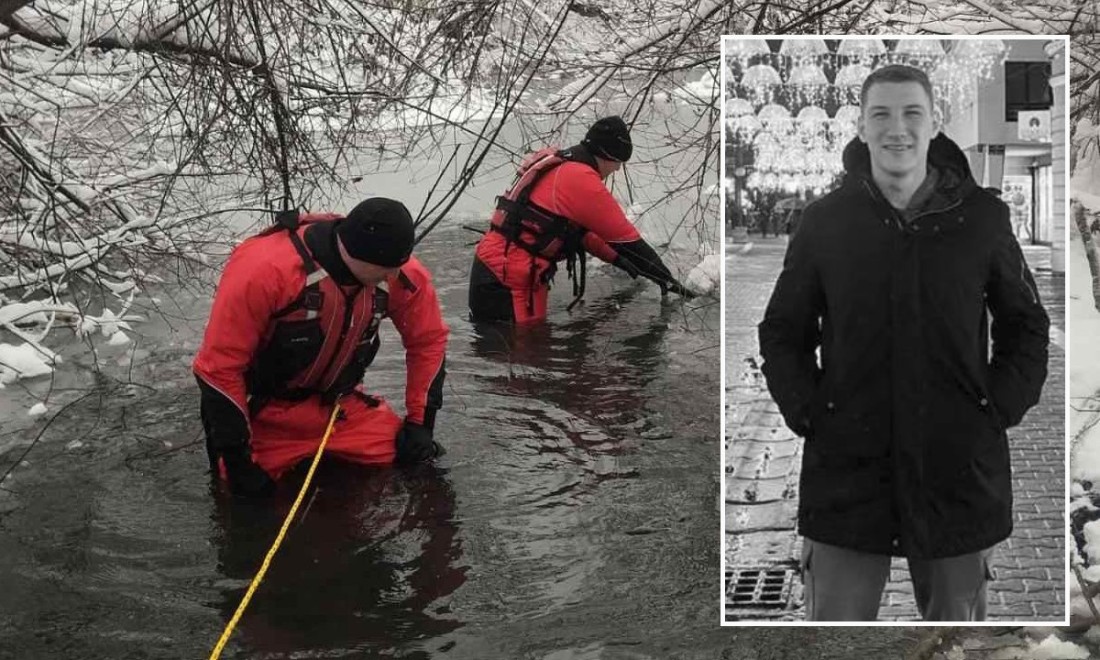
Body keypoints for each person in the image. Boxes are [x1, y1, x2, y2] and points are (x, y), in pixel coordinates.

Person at [757, 65, 1049, 621]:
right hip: (849, 472)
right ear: (862, 127)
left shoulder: (983, 219)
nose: (898, 129)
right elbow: (782, 331)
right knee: (836, 638)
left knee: (952, 640)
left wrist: (996, 408)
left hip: (957, 472)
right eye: (882, 115)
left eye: (912, 113)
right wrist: (811, 412)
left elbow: (1027, 324)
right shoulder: (825, 222)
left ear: (935, 122)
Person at [193, 198, 449, 498]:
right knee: (243, 497)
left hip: (337, 410)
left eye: (397, 268)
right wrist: (238, 459)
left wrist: (420, 424)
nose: (393, 278)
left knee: (423, 461)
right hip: (265, 413)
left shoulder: (397, 270)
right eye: (385, 271)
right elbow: (218, 368)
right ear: (353, 253)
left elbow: (427, 341)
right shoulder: (266, 269)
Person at [468, 115, 693, 323]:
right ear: (608, 156)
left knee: (509, 349)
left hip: (495, 267)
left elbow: (580, 233)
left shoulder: (560, 162)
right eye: (618, 164)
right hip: (507, 279)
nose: (615, 170)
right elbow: (629, 242)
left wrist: (618, 260)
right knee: (525, 350)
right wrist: (667, 279)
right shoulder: (580, 179)